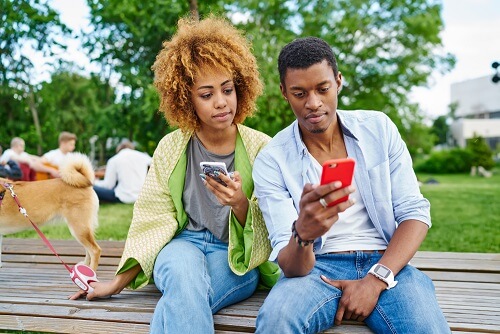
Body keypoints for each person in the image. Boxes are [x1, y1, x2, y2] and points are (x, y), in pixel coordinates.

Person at [70, 15, 280, 333]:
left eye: (227, 89)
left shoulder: (262, 148)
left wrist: (239, 204)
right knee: (184, 280)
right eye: (207, 95)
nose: (221, 102)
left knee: (183, 298)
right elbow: (153, 221)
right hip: (183, 245)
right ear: (186, 99)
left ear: (241, 88)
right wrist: (115, 284)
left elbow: (272, 226)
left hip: (236, 258)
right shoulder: (171, 147)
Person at [252, 37, 450, 333]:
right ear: (284, 93)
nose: (313, 103)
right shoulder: (272, 159)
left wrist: (376, 279)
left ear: (339, 81)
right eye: (299, 93)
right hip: (315, 269)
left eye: (323, 89)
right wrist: (303, 235)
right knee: (276, 321)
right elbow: (292, 267)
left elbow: (414, 214)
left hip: (386, 260)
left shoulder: (379, 129)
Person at [93, 139, 152, 204]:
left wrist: (95, 182)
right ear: (132, 148)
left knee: (90, 187)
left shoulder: (114, 160)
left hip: (123, 197)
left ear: (118, 150)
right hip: (141, 197)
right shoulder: (144, 156)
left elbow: (108, 185)